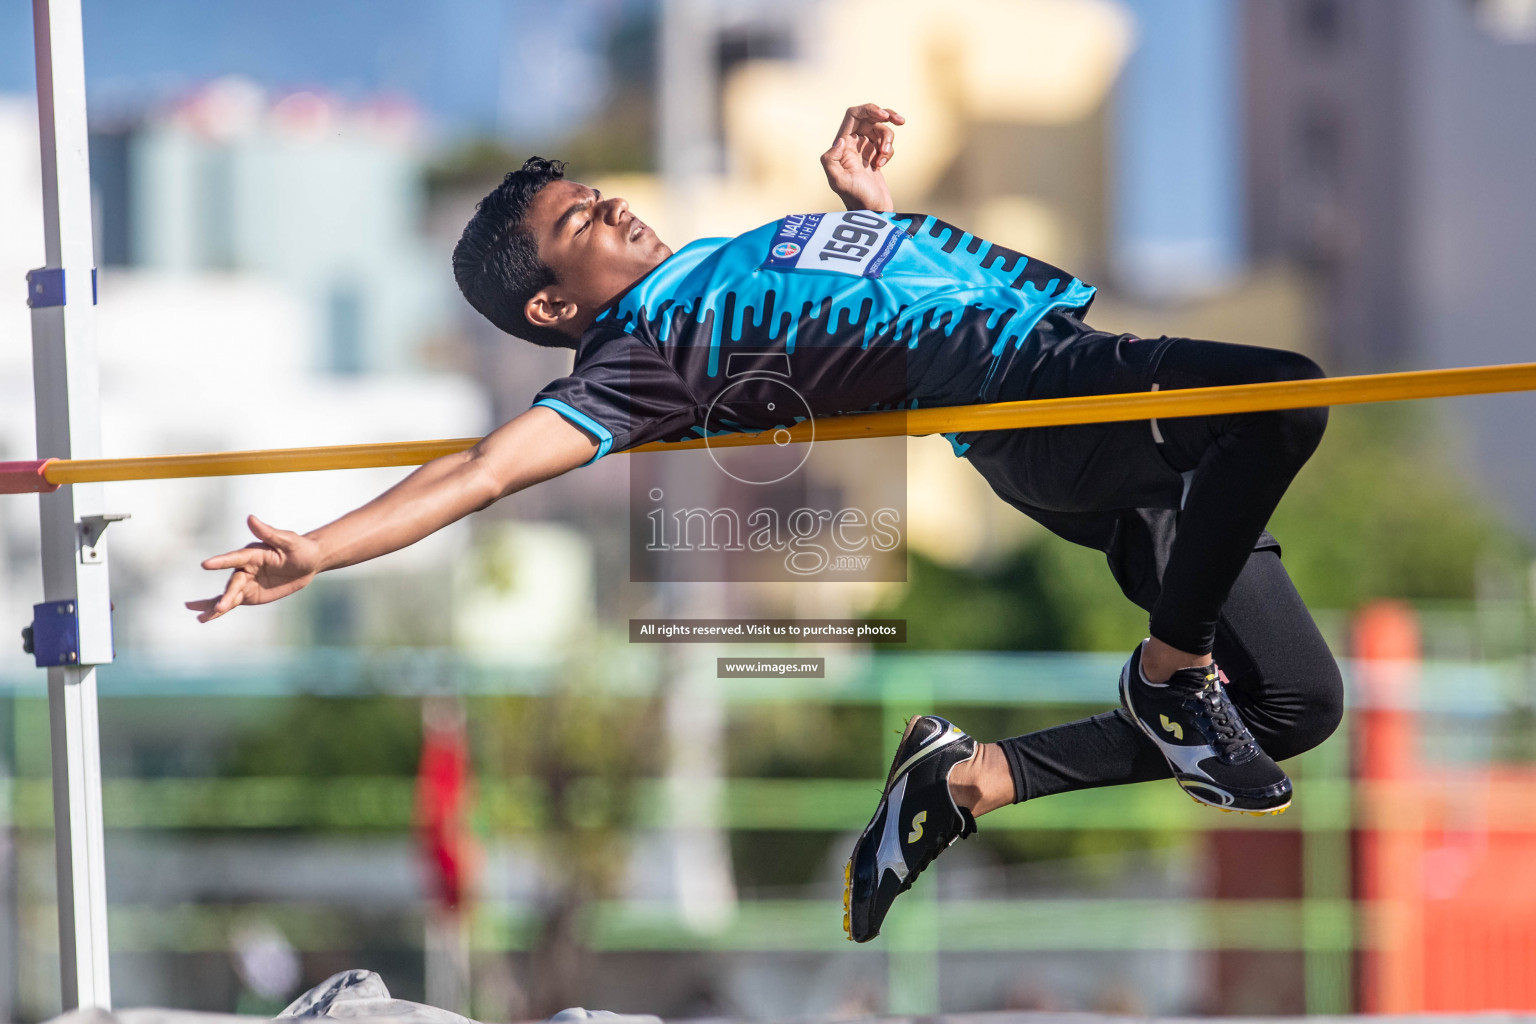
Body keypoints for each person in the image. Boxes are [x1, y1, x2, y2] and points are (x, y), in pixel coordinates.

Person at [189, 103, 1343, 945]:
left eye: (597, 192)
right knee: (1278, 398)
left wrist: (870, 213)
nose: (615, 205)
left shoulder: (708, 267)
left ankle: (968, 779)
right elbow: (484, 468)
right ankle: (1168, 671)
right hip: (1037, 392)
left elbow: (875, 316)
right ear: (553, 304)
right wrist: (321, 548)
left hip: (1044, 383)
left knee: (1296, 702)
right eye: (584, 217)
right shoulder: (635, 357)